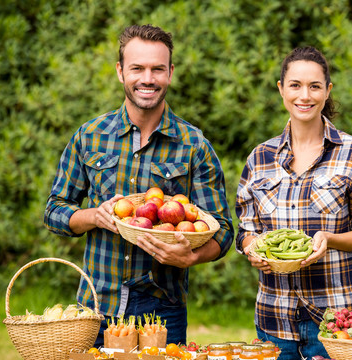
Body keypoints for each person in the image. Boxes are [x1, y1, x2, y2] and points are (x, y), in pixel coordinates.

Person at [44, 24, 234, 347]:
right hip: (96, 306)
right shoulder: (90, 136)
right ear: (120, 72)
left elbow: (224, 230)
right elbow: (54, 211)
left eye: (157, 69)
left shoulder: (194, 145)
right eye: (137, 68)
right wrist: (94, 216)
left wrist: (191, 257)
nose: (148, 78)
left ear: (170, 72)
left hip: (163, 311)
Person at [235, 46, 352, 359]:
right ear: (281, 89)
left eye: (315, 86)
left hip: (337, 321)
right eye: (295, 85)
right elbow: (246, 230)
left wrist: (329, 240)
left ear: (328, 91)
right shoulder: (259, 158)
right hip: (274, 318)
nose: (305, 96)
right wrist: (254, 249)